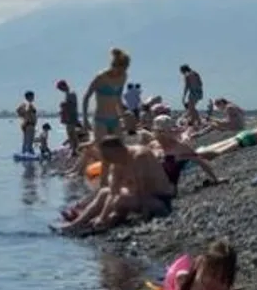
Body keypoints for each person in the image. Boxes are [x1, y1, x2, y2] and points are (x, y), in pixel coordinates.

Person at [54, 136, 175, 234]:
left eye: (107, 155)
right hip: (137, 197)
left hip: (159, 199)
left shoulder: (139, 156)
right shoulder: (117, 163)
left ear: (118, 150)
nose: (106, 159)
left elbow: (142, 189)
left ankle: (103, 223)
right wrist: (103, 216)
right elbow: (113, 191)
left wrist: (145, 218)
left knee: (120, 200)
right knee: (104, 192)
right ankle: (77, 224)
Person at [84, 48, 130, 184]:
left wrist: (123, 117)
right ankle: (103, 184)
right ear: (114, 65)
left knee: (121, 151)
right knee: (105, 155)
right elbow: (86, 97)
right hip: (100, 119)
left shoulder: (123, 76)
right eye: (120, 69)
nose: (121, 72)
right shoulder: (101, 77)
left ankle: (119, 181)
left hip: (115, 119)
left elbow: (118, 98)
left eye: (124, 69)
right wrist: (85, 119)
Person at [172, 240, 240, 290]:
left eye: (221, 280)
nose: (213, 282)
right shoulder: (183, 280)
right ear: (199, 264)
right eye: (210, 274)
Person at [152, 115, 219, 189]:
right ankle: (215, 179)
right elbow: (196, 157)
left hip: (163, 176)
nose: (173, 130)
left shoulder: (156, 144)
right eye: (171, 129)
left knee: (203, 155)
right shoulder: (177, 145)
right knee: (202, 157)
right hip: (171, 173)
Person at [56, 79, 83, 156]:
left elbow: (72, 105)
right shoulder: (68, 94)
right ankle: (74, 148)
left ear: (64, 86)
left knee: (72, 133)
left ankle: (75, 149)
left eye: (61, 88)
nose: (61, 90)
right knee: (70, 133)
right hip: (69, 117)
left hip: (71, 117)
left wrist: (64, 105)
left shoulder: (71, 93)